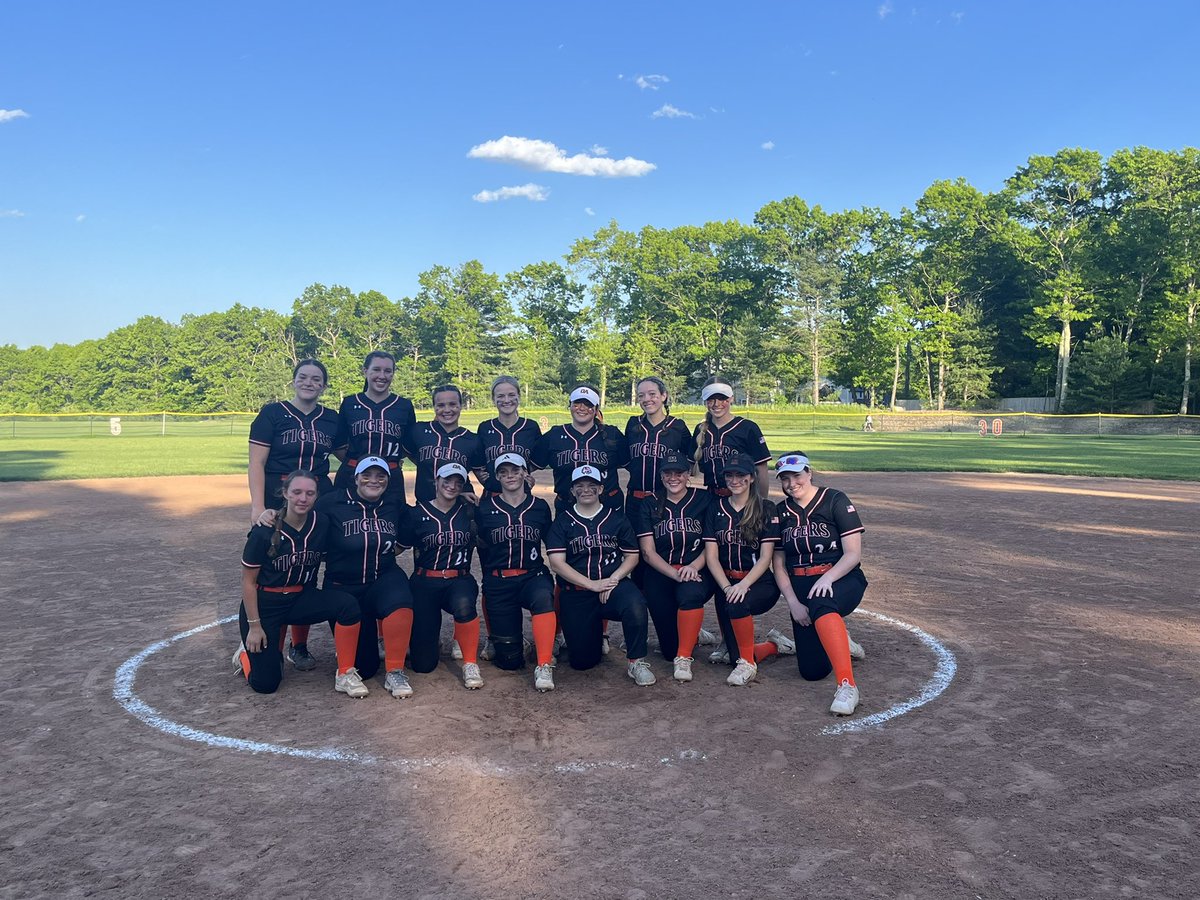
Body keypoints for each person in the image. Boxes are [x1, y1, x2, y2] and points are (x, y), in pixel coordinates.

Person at [247, 359, 345, 671]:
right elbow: (256, 463)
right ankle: (266, 637)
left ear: (324, 386)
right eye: (303, 377)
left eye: (317, 379)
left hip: (319, 499)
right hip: (281, 499)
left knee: (309, 565)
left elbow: (348, 455)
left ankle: (298, 646)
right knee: (275, 566)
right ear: (293, 380)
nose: (309, 383)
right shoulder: (272, 414)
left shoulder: (331, 419)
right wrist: (257, 507)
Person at [233, 470, 367, 698]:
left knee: (347, 605)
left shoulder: (321, 523)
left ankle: (345, 673)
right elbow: (248, 581)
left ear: (316, 497)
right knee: (266, 684)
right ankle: (245, 655)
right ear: (285, 493)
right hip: (266, 605)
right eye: (296, 492)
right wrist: (255, 627)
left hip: (299, 600)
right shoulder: (264, 530)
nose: (302, 499)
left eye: (309, 493)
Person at [771, 452, 868, 715]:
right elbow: (778, 564)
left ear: (809, 473)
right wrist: (793, 603)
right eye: (785, 479)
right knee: (811, 672)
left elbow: (853, 554)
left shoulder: (834, 500)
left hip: (841, 577)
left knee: (823, 602)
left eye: (797, 476)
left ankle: (847, 686)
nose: (792, 484)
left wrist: (828, 577)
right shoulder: (781, 512)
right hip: (802, 586)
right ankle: (838, 638)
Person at [545, 465, 656, 686]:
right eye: (580, 486)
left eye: (592, 485)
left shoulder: (616, 518)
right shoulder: (563, 521)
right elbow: (557, 563)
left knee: (635, 603)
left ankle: (636, 661)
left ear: (601, 488)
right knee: (583, 662)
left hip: (613, 586)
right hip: (577, 592)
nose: (586, 490)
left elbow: (632, 557)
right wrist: (593, 585)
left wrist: (612, 580)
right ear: (573, 490)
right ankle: (589, 637)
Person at [317, 456, 417, 700]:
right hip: (343, 585)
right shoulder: (332, 503)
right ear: (356, 478)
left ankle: (395, 671)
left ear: (388, 480)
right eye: (367, 475)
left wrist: (463, 502)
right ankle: (347, 669)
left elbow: (420, 518)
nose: (374, 480)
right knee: (367, 668)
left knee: (400, 598)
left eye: (380, 476)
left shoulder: (392, 503)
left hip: (381, 577)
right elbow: (301, 518)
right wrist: (270, 515)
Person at [703, 452, 794, 686]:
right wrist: (726, 586)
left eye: (741, 475)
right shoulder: (716, 508)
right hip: (727, 583)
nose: (735, 480)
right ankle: (775, 645)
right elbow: (711, 557)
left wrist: (742, 585)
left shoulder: (766, 508)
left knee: (737, 605)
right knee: (734, 654)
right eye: (730, 475)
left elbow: (766, 558)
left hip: (759, 583)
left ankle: (747, 664)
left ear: (752, 478)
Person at [629, 451, 715, 682]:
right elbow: (647, 552)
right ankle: (692, 634)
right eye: (668, 473)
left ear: (688, 475)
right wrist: (674, 574)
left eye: (679, 472)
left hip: (696, 569)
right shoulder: (650, 503)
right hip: (661, 571)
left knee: (690, 594)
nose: (673, 477)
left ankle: (684, 658)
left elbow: (712, 545)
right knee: (668, 650)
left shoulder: (703, 499)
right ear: (661, 475)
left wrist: (694, 567)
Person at [475, 453, 557, 691]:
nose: (510, 476)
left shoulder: (539, 507)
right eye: (504, 472)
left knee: (543, 596)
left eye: (515, 471)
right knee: (510, 662)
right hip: (501, 582)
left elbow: (550, 543)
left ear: (525, 474)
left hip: (532, 576)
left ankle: (544, 664)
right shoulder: (486, 508)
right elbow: (481, 545)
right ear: (497, 477)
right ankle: (517, 644)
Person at [402, 463, 484, 689]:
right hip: (424, 582)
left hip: (459, 580)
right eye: (447, 480)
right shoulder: (416, 513)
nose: (452, 485)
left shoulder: (469, 511)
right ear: (436, 482)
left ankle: (469, 662)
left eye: (458, 482)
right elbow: (398, 547)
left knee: (465, 604)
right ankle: (428, 642)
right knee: (423, 665)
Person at [333, 351, 416, 505]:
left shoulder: (404, 406)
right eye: (376, 369)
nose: (382, 375)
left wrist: (389, 462)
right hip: (352, 475)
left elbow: (408, 445)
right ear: (365, 371)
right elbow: (339, 445)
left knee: (393, 523)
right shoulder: (350, 403)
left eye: (388, 371)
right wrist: (363, 467)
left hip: (391, 477)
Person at [532, 384, 628, 514]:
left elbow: (633, 465)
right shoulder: (554, 435)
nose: (582, 408)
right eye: (577, 403)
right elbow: (530, 465)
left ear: (596, 409)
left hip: (608, 505)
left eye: (588, 404)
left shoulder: (612, 434)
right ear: (570, 405)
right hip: (567, 506)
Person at [403, 384, 486, 504]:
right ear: (434, 407)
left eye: (452, 404)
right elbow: (407, 453)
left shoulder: (472, 440)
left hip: (459, 507)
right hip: (424, 507)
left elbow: (482, 475)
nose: (447, 410)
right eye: (441, 405)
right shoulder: (419, 431)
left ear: (460, 406)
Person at [693, 376, 772, 500]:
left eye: (722, 398)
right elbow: (689, 468)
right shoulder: (701, 430)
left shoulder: (747, 428)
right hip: (712, 499)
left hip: (743, 499)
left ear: (731, 398)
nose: (716, 404)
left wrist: (763, 502)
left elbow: (761, 469)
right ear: (705, 401)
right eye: (710, 399)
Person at [623, 376, 696, 502]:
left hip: (665, 499)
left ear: (663, 396)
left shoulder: (677, 426)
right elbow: (627, 459)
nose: (646, 399)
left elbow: (688, 461)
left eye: (652, 394)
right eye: (641, 395)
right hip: (635, 498)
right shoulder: (633, 424)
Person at [477, 375, 543, 497]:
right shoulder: (485, 428)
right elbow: (477, 460)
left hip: (522, 496)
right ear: (493, 399)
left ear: (519, 396)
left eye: (512, 395)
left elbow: (538, 460)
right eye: (500, 396)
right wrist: (481, 476)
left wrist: (528, 474)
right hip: (491, 496)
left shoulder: (531, 427)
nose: (507, 400)